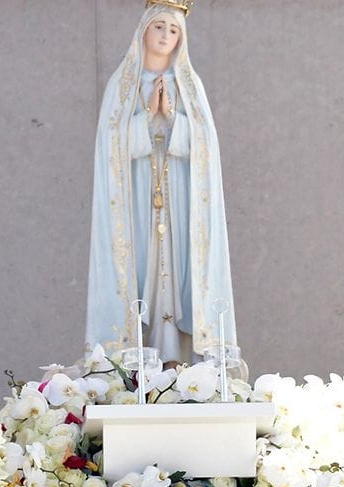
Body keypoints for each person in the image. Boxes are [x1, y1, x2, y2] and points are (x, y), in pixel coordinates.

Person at [86, 0, 237, 365]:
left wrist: (172, 118)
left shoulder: (190, 85)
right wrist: (144, 118)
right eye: (159, 27)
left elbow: (206, 146)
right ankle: (138, 358)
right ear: (143, 31)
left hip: (181, 197)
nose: (165, 35)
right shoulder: (122, 85)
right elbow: (109, 146)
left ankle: (181, 359)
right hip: (136, 197)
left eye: (173, 30)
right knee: (141, 267)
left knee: (180, 265)